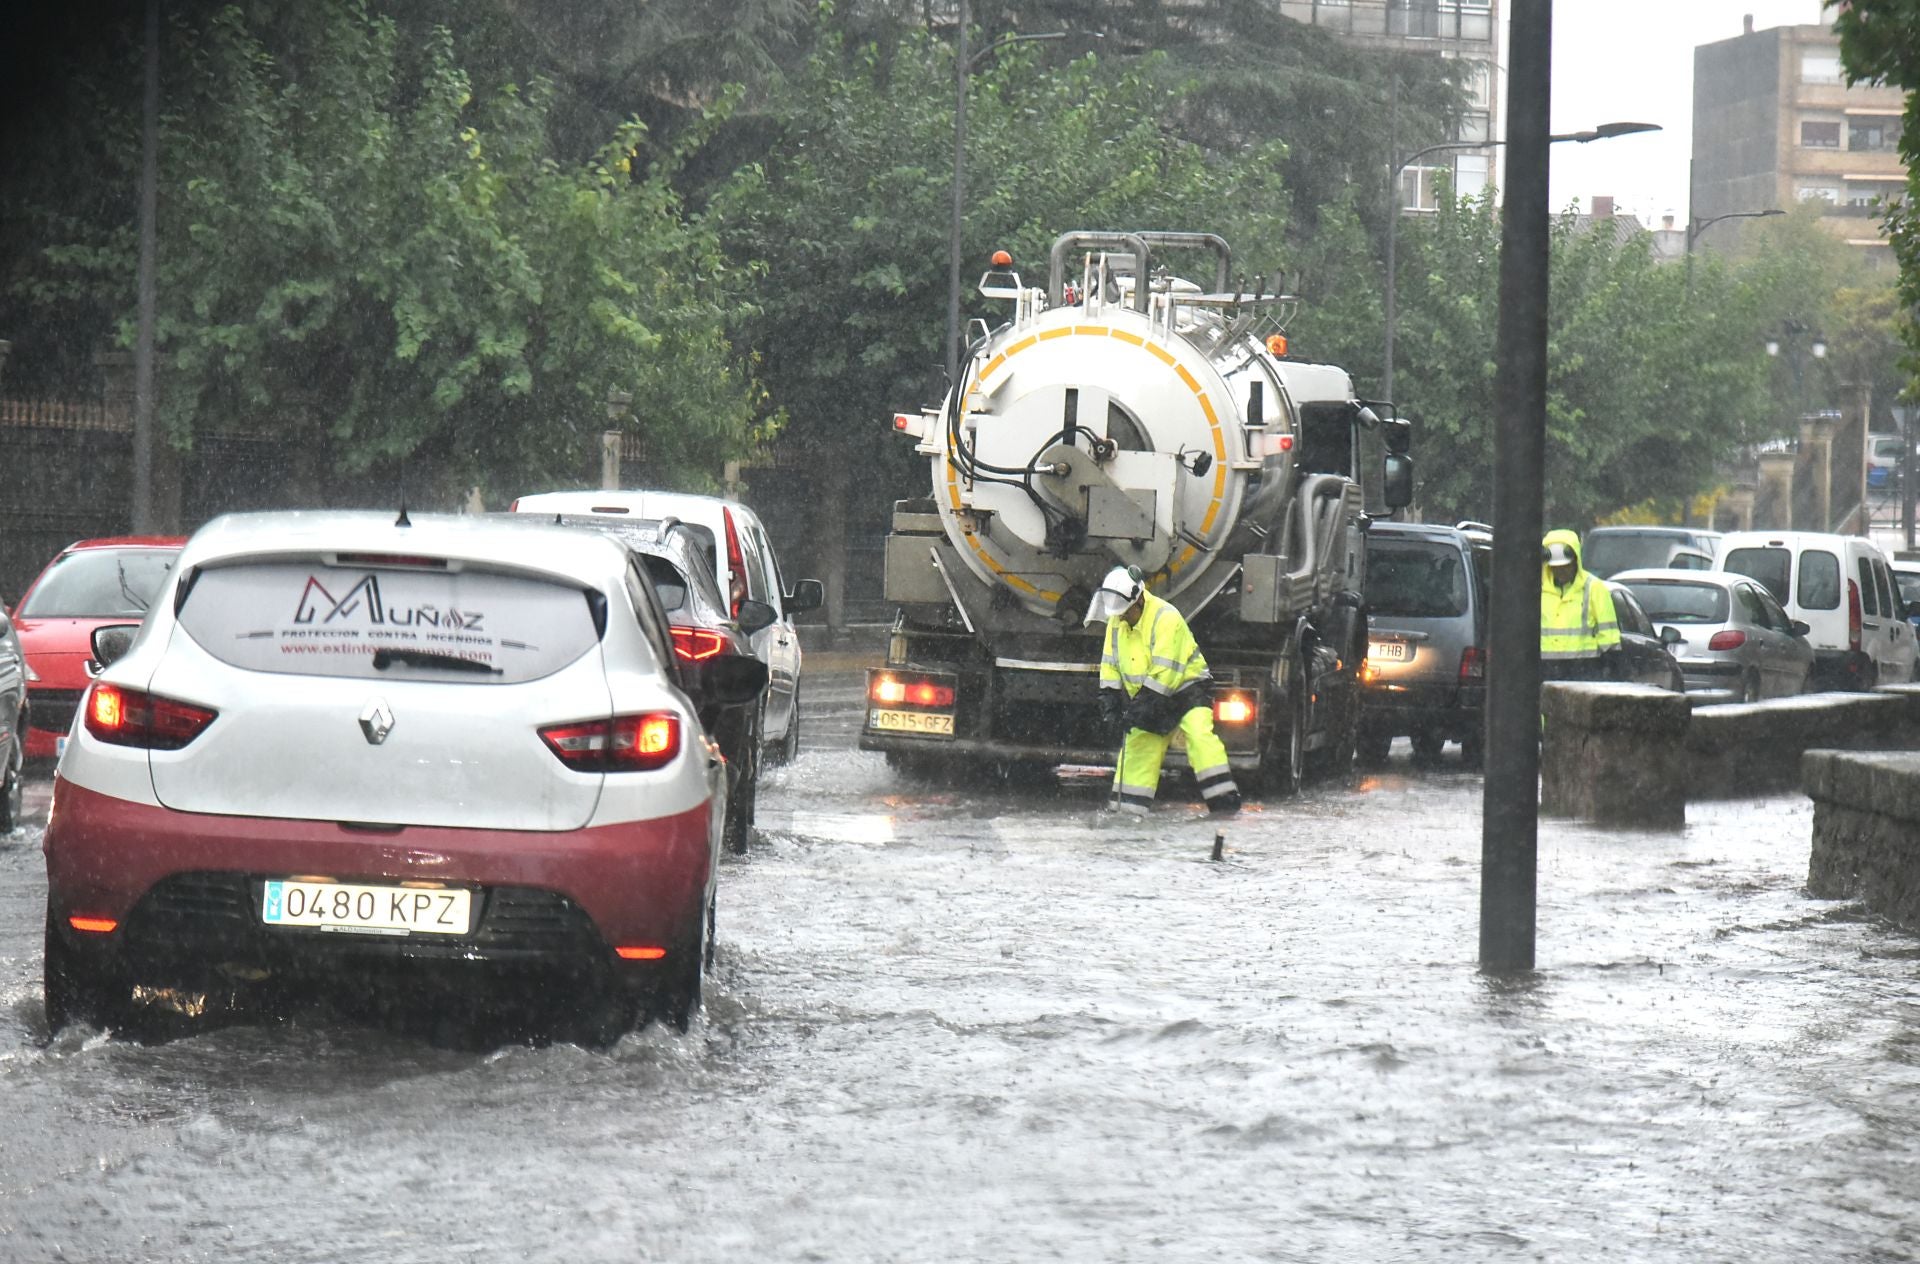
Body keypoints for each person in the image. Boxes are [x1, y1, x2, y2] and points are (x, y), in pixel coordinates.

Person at [1084, 566, 1241, 816]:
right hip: (1149, 695)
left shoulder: (1166, 618)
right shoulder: (1116, 622)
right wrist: (1110, 701)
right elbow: (1110, 664)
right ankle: (1127, 815)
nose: (1120, 617)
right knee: (1137, 749)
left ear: (1138, 600)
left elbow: (1164, 674)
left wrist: (1137, 711)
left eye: (1124, 612)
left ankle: (1224, 804)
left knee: (1199, 736)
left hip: (1187, 690)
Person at [1540, 529, 1622, 681]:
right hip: (1545, 669)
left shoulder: (1594, 588)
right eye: (1555, 567)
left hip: (1584, 669)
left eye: (1565, 566)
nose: (1560, 571)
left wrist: (1610, 666)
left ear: (1575, 562)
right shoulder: (1538, 590)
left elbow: (1608, 636)